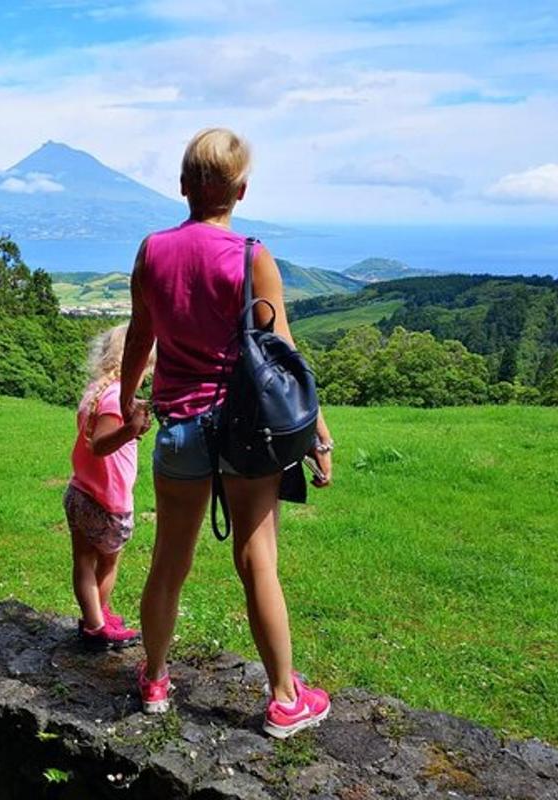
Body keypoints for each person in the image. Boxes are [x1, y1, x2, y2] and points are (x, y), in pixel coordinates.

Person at [118, 128, 335, 738]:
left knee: (169, 561)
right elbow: (282, 350)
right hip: (249, 432)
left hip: (180, 429)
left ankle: (156, 679)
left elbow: (141, 336)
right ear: (241, 190)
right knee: (256, 558)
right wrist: (316, 429)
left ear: (184, 186)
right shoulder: (251, 256)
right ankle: (286, 699)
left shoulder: (152, 250)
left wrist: (129, 395)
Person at [64, 324, 154, 650]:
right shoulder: (117, 395)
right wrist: (130, 430)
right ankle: (96, 625)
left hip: (80, 491)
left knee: (83, 560)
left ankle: (93, 617)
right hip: (107, 500)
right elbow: (101, 444)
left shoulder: (96, 391)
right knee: (108, 563)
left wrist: (130, 427)